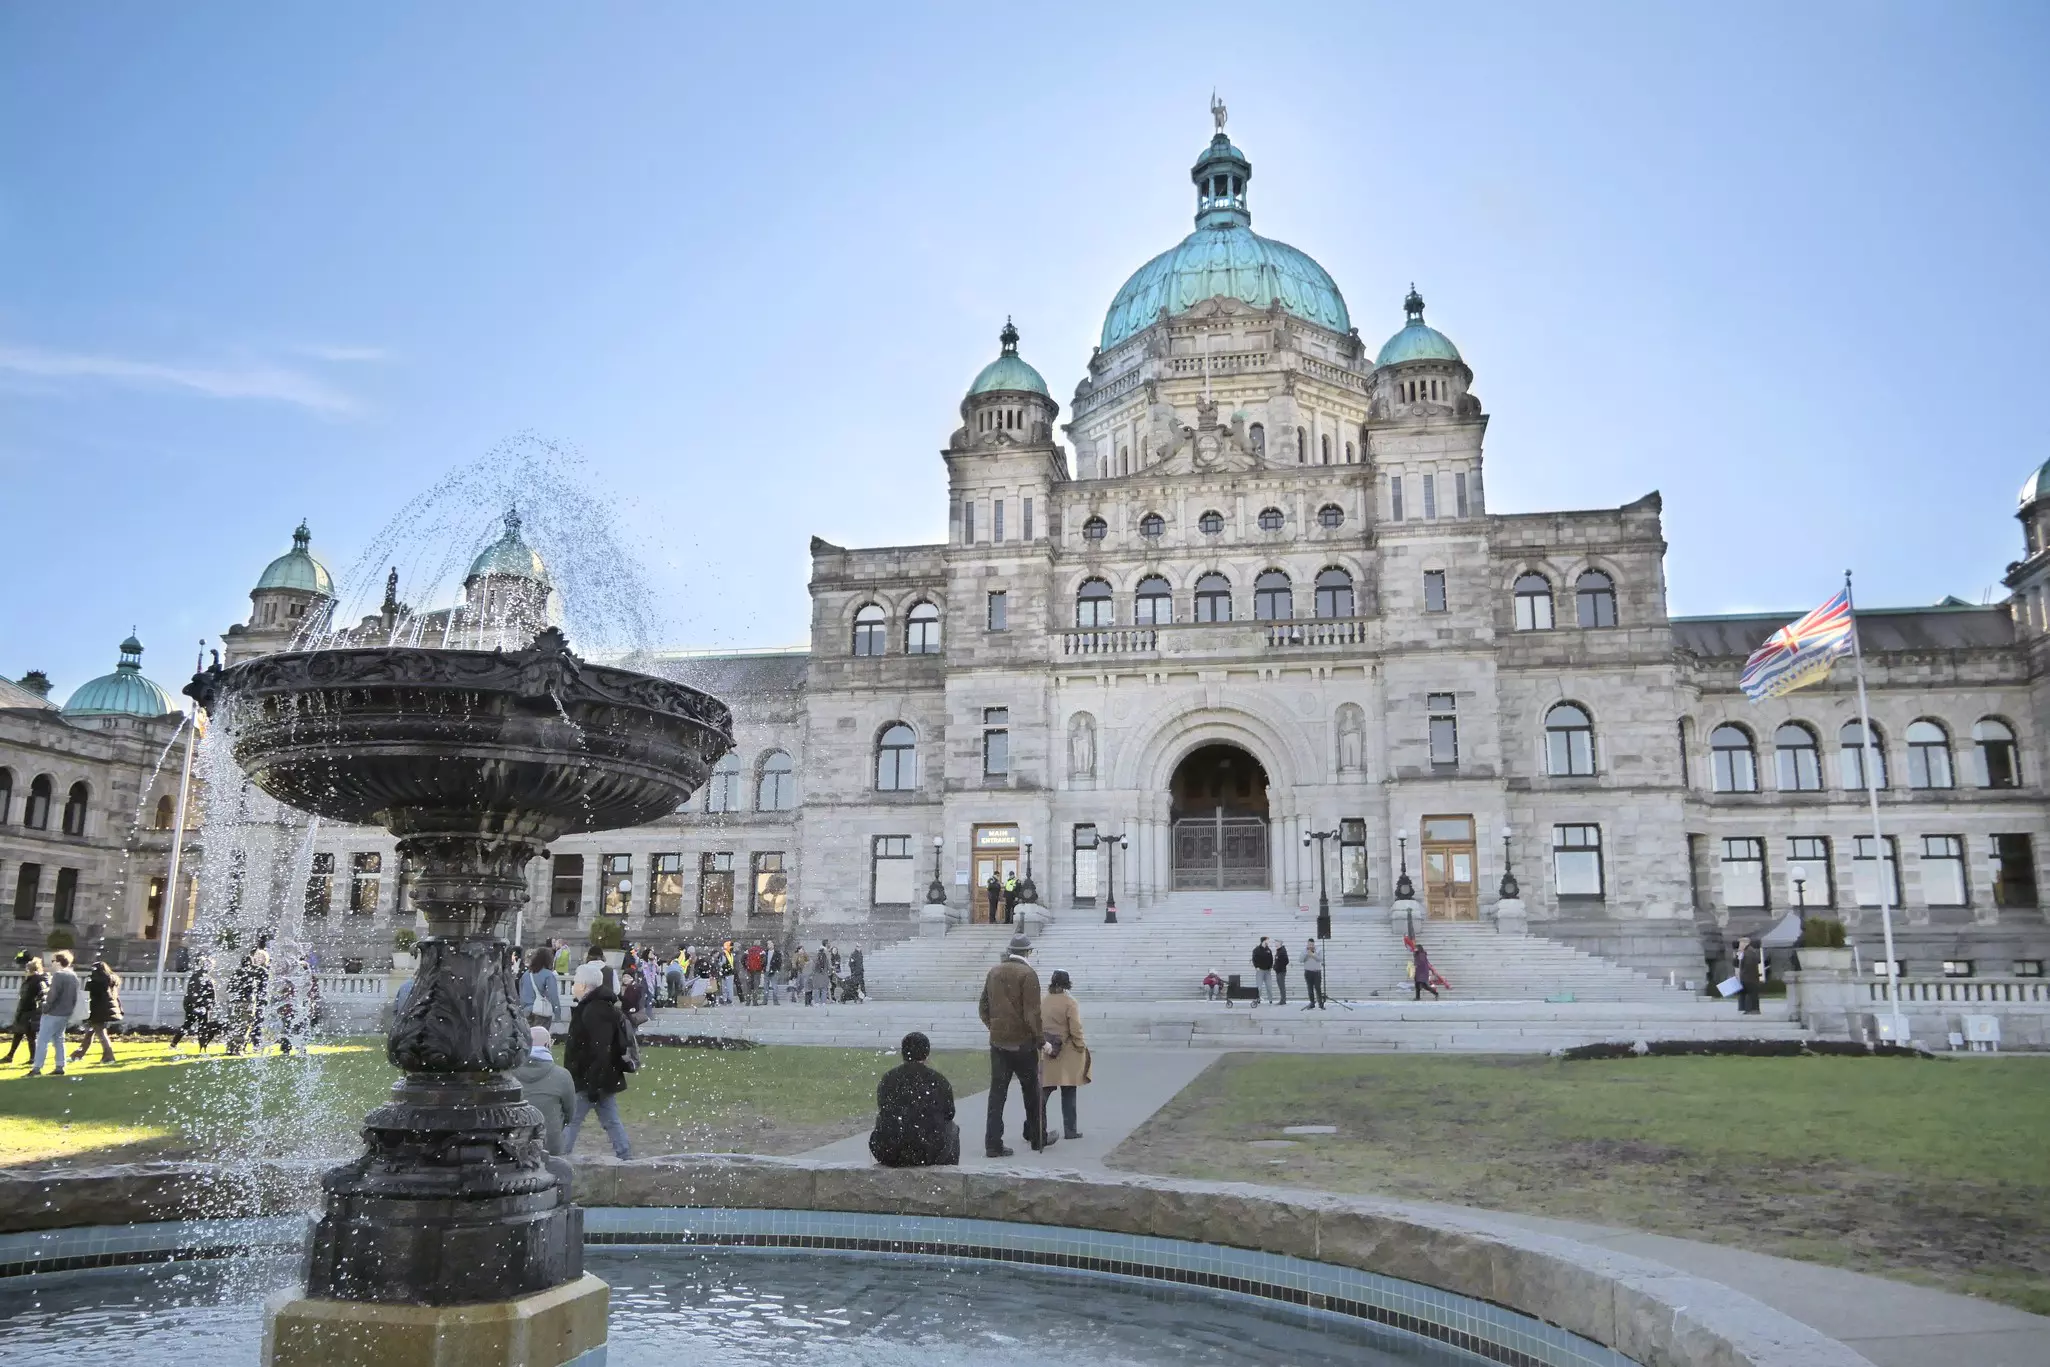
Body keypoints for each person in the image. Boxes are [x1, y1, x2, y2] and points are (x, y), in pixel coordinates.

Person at [977, 933, 1046, 1157]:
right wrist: (1041, 1040)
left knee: (997, 1094)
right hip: (1023, 1044)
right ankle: (1038, 1137)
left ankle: (993, 1143)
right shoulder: (1028, 974)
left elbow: (983, 1007)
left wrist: (994, 1026)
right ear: (1028, 952)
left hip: (998, 1043)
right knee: (1032, 1093)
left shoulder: (994, 972)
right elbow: (1032, 1014)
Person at [563, 958, 636, 1158]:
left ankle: (560, 1156)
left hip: (590, 1078)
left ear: (584, 985)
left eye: (576, 982)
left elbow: (600, 1049)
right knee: (610, 1119)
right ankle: (625, 1154)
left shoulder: (594, 1010)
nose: (574, 986)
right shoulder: (595, 1008)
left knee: (572, 1119)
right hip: (598, 1077)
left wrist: (593, 1083)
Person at [868, 1030, 959, 1167]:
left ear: (903, 1053)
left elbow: (884, 1108)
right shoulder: (938, 1080)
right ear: (927, 1054)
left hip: (890, 1152)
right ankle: (949, 1174)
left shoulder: (889, 1078)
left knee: (882, 1119)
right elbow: (949, 1113)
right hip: (928, 1153)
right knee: (952, 1128)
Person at [1039, 969, 1090, 1141]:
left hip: (1047, 1050)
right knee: (1068, 1091)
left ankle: (1034, 1126)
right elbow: (1076, 1028)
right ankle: (1070, 1130)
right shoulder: (1070, 1002)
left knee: (1043, 1092)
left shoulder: (1043, 1001)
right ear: (1067, 984)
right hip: (1067, 1052)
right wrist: (1080, 1045)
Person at [514, 1024, 577, 1156]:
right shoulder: (562, 1076)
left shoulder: (510, 1076)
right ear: (547, 1045)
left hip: (515, 1144)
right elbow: (569, 1114)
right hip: (550, 1145)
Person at [28, 950, 80, 1076]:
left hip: (53, 1012)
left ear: (58, 961)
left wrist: (44, 1007)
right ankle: (60, 1066)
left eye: (53, 961)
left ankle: (37, 1068)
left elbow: (53, 995)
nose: (51, 964)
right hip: (66, 1013)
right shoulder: (73, 975)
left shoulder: (58, 975)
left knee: (42, 1040)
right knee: (59, 1039)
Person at [72, 959, 122, 1064]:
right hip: (106, 1011)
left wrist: (85, 1012)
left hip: (97, 1011)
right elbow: (114, 998)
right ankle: (78, 1054)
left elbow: (88, 997)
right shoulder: (111, 980)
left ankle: (109, 1056)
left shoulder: (95, 981)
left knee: (100, 1033)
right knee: (90, 1033)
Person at [4, 953, 49, 1063]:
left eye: (27, 968)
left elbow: (30, 997)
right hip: (27, 1011)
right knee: (19, 1034)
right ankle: (11, 1055)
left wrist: (21, 1012)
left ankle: (33, 1058)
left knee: (30, 1036)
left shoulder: (35, 980)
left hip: (29, 1011)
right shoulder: (34, 980)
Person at [520, 947, 562, 1028]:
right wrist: (557, 1013)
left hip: (526, 1012)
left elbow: (521, 994)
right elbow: (553, 996)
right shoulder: (548, 975)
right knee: (540, 1038)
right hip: (541, 1012)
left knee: (528, 1038)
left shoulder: (525, 974)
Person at [1734, 936, 1765, 1015]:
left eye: (1740, 943)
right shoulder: (1745, 952)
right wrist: (1738, 954)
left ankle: (1752, 1010)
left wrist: (1743, 974)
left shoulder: (1749, 952)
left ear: (1745, 943)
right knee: (1748, 994)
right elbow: (1736, 964)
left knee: (1750, 993)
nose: (1739, 945)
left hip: (1749, 977)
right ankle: (1748, 1009)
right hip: (1747, 977)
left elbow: (1749, 964)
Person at [1302, 939, 1326, 1010]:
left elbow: (1320, 959)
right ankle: (1312, 1003)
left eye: (1312, 945)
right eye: (1309, 945)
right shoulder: (1304, 951)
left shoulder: (1318, 950)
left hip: (1316, 972)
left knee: (1318, 988)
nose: (1310, 946)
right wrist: (1306, 954)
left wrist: (1313, 955)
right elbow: (1300, 960)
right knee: (1310, 988)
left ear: (1314, 944)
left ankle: (1320, 1004)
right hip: (1308, 972)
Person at [1251, 937, 1275, 1007]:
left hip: (1267, 971)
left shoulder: (1268, 950)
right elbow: (1254, 959)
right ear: (1263, 941)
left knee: (1269, 986)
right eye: (1267, 940)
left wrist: (1270, 967)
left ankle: (1270, 1000)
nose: (1268, 941)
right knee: (1259, 987)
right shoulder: (1256, 950)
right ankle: (1258, 999)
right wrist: (1256, 967)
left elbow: (1271, 959)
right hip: (1260, 971)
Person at [1273, 938, 1291, 1006]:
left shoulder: (1282, 951)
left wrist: (1278, 967)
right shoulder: (1279, 950)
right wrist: (1275, 966)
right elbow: (1277, 960)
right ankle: (1282, 1000)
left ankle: (1283, 1001)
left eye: (1276, 942)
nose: (1275, 943)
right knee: (1280, 986)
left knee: (1281, 986)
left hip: (1281, 971)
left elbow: (1286, 961)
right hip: (1278, 971)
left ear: (1279, 943)